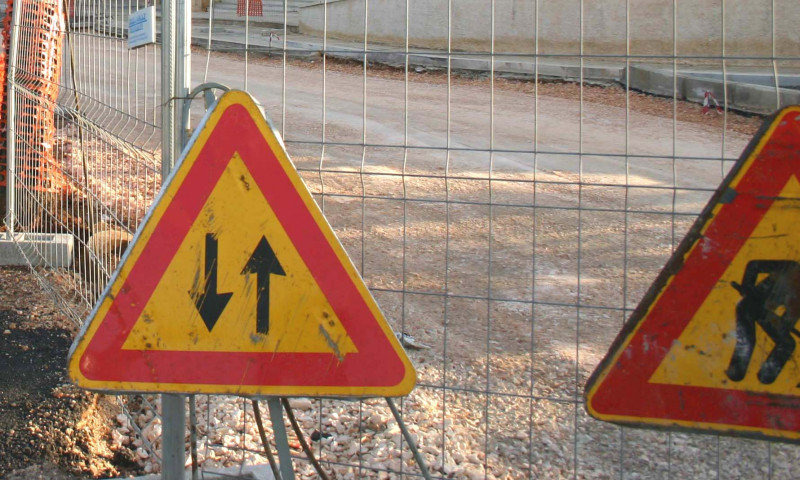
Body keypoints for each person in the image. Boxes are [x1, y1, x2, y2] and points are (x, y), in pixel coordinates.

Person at [725, 260, 800, 384]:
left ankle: (766, 376)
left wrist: (785, 325)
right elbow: (754, 265)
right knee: (748, 340)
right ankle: (735, 373)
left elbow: (790, 318)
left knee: (787, 343)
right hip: (750, 303)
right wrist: (747, 288)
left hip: (767, 315)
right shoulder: (790, 267)